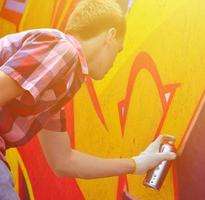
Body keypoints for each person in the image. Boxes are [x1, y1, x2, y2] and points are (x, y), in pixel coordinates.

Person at [0, 0, 177, 199]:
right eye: (118, 51)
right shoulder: (63, 50)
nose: (114, 61)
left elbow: (64, 161)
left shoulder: (59, 82)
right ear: (110, 36)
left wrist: (137, 163)